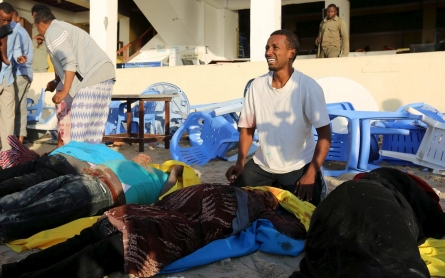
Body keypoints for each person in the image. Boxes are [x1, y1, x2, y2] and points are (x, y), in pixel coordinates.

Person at [0, 183, 306, 278]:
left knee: (103, 241)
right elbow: (291, 230)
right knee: (100, 240)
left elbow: (288, 228)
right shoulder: (254, 202)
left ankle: (20, 272)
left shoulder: (256, 204)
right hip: (164, 213)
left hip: (165, 217)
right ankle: (20, 272)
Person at [225, 29, 332, 206]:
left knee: (309, 210)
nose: (268, 52)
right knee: (233, 202)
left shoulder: (308, 88)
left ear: (291, 53)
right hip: (263, 164)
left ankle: (318, 185)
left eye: (275, 47)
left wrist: (311, 172)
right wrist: (240, 163)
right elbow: (247, 128)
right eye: (267, 47)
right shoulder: (257, 86)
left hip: (298, 165)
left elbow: (325, 136)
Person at [0, 150, 186, 243]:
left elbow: (170, 184)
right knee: (20, 198)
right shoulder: (147, 171)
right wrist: (135, 161)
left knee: (34, 212)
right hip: (86, 176)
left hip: (103, 189)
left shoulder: (167, 183)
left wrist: (176, 171)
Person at [291, 167, 445, 278]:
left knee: (321, 263)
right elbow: (437, 221)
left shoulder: (390, 184)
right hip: (370, 201)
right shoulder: (405, 187)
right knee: (397, 265)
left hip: (330, 208)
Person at [34, 10, 115, 145]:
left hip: (92, 78)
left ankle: (79, 164)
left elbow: (69, 61)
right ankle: (90, 165)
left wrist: (64, 91)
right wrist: (56, 81)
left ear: (40, 24)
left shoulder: (52, 32)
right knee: (93, 132)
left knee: (78, 131)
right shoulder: (63, 27)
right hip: (104, 74)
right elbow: (65, 62)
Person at [0, 2, 27, 151]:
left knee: (9, 117)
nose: (5, 23)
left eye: (8, 20)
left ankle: (6, 154)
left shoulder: (15, 30)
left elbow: (16, 49)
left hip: (8, 78)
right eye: (2, 20)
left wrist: (19, 57)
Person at [11, 9, 33, 144]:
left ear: (17, 18)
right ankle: (19, 143)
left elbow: (15, 54)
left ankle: (11, 144)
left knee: (10, 110)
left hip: (17, 72)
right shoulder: (23, 31)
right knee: (20, 109)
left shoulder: (16, 31)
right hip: (26, 73)